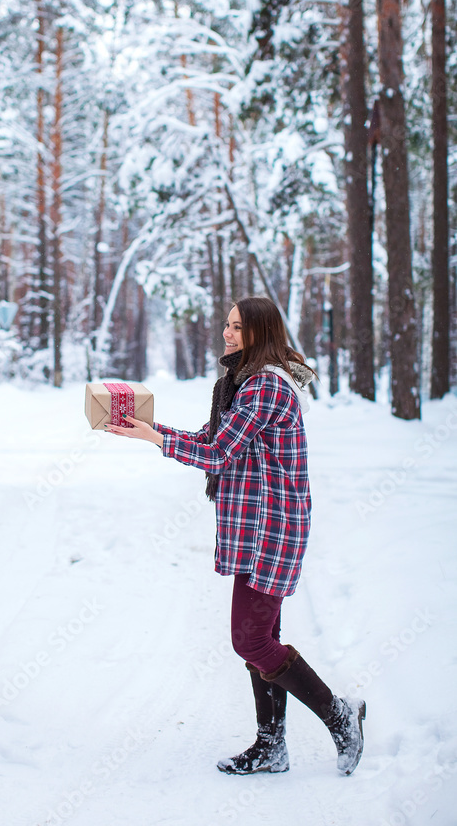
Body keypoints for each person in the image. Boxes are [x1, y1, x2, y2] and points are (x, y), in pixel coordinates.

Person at [105, 296, 365, 776]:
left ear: (261, 332)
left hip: (272, 526)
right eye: (227, 325)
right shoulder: (242, 383)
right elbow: (209, 438)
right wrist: (149, 428)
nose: (228, 334)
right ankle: (271, 747)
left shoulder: (264, 386)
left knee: (250, 640)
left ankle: (340, 715)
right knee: (264, 637)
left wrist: (155, 441)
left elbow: (219, 453)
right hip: (256, 524)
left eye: (239, 327)